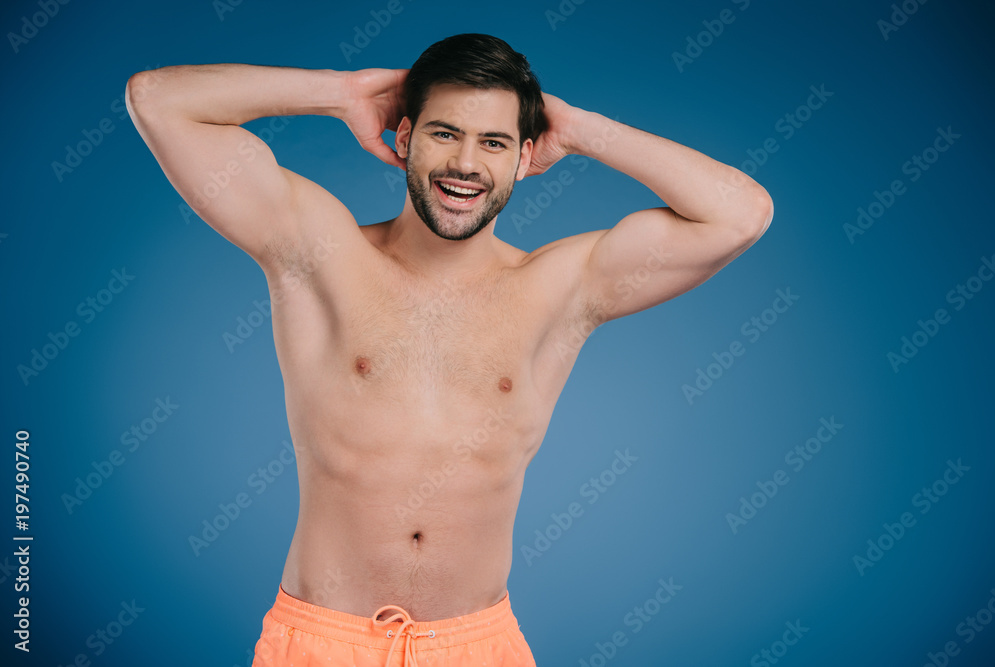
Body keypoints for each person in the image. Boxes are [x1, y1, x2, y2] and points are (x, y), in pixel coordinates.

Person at [127, 32, 772, 667]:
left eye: (493, 142)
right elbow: (158, 99)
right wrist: (341, 92)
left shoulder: (562, 288)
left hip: (477, 649)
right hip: (325, 645)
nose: (466, 163)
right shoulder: (319, 251)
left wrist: (580, 129)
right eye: (444, 133)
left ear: (526, 157)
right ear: (403, 137)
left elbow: (740, 214)